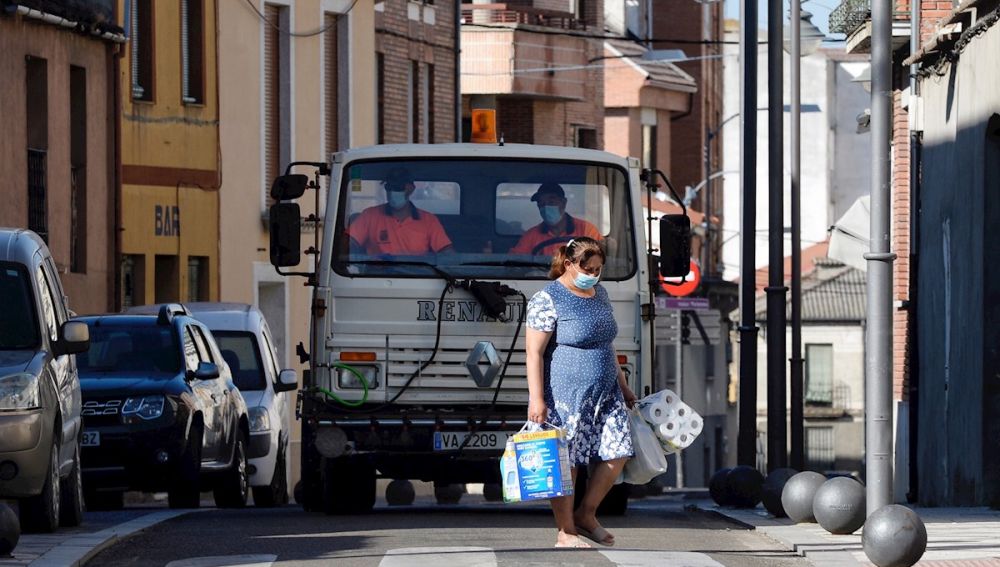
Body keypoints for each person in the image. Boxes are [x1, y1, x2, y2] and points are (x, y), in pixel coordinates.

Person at [524, 237, 638, 548]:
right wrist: (537, 399)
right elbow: (533, 352)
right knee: (568, 462)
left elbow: (607, 342)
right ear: (570, 264)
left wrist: (623, 384)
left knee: (619, 451)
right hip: (566, 395)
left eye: (599, 269)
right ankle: (566, 531)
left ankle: (587, 514)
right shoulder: (548, 298)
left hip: (606, 392)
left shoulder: (600, 293)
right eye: (588, 268)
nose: (594, 274)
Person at [346, 175, 454, 256]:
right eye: (389, 187)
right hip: (376, 278)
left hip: (419, 278)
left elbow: (446, 253)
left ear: (410, 189)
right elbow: (347, 244)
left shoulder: (428, 220)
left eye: (398, 187)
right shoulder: (369, 215)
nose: (392, 191)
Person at [510, 183, 603, 257]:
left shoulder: (586, 230)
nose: (546, 207)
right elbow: (514, 262)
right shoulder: (531, 235)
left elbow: (599, 259)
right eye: (541, 204)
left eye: (551, 202)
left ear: (563, 203)